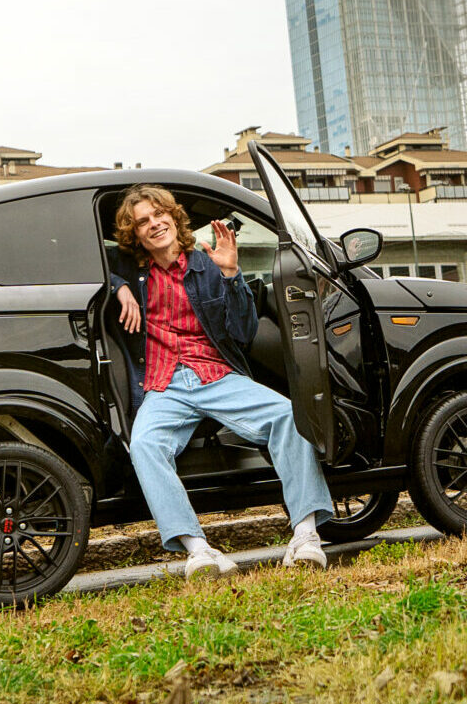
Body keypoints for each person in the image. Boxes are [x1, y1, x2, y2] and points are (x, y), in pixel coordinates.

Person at [105, 184, 335, 577]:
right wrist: (119, 287)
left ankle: (306, 537)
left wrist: (231, 275)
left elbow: (243, 333)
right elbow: (95, 265)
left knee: (287, 416)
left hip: (214, 374)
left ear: (173, 218)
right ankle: (199, 551)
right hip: (162, 384)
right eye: (143, 221)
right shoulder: (129, 269)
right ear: (136, 234)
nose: (154, 224)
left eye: (159, 214)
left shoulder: (208, 264)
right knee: (143, 445)